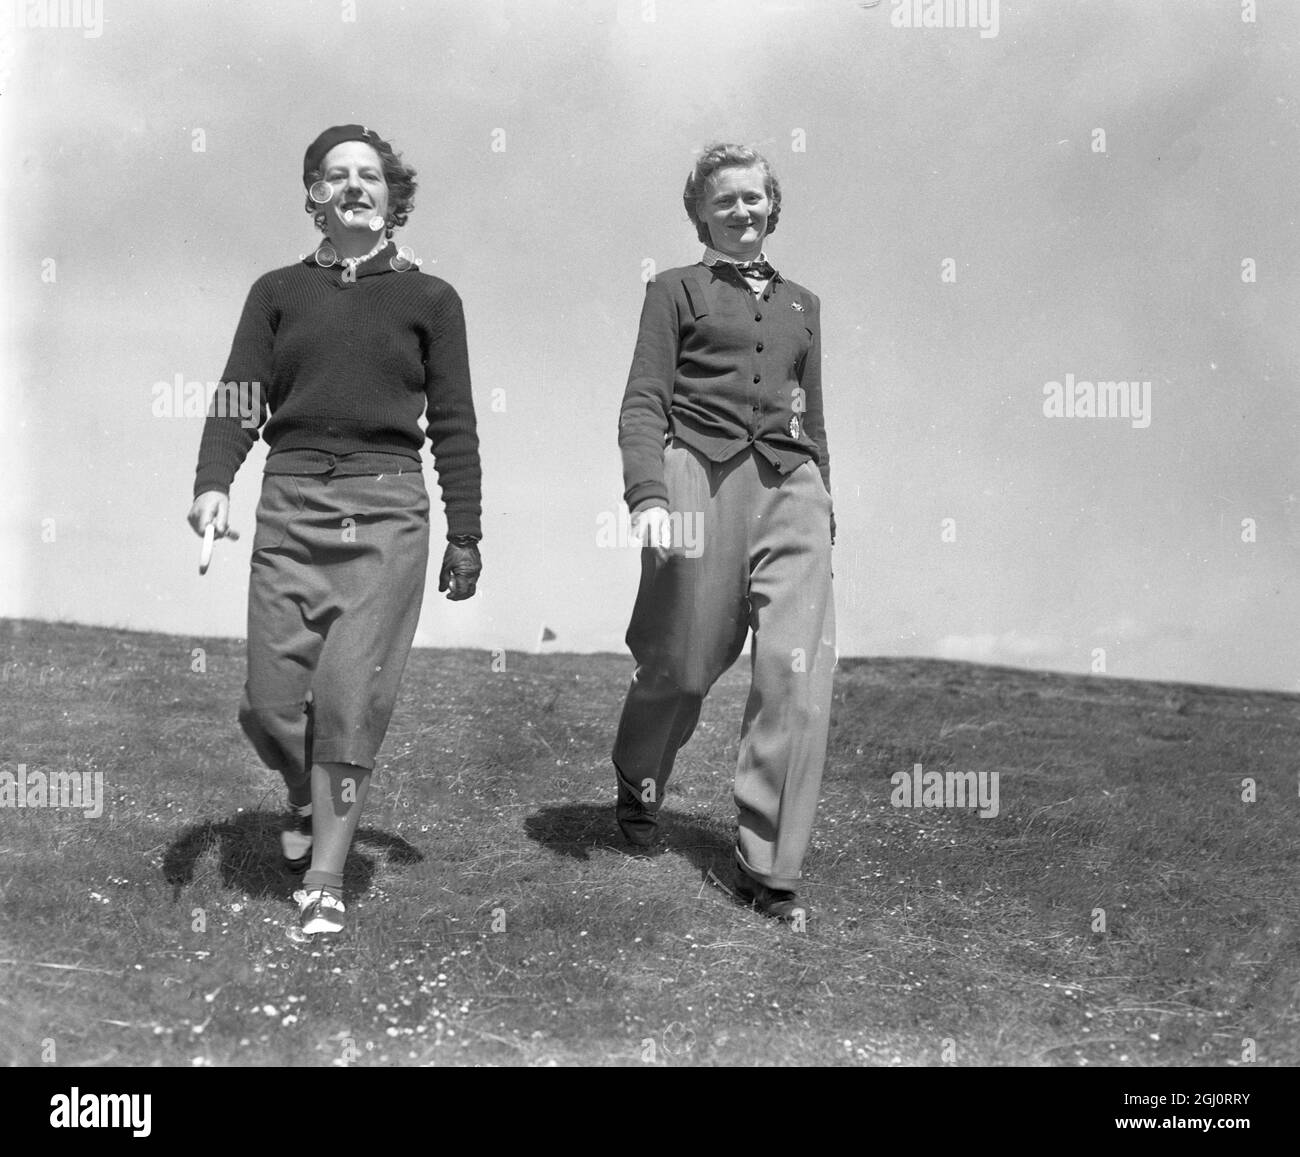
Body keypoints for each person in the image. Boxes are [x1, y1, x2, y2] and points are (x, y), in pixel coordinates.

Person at [188, 125, 482, 939]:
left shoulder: (432, 300)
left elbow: (455, 424)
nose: (354, 186)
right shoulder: (277, 290)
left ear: (393, 195)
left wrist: (467, 532)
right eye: (335, 175)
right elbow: (240, 396)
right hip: (291, 501)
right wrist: (215, 483)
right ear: (314, 195)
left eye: (370, 176)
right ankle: (299, 793)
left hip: (388, 509)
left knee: (349, 695)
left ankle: (324, 876)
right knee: (270, 702)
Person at [613, 142, 836, 924]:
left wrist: (824, 504)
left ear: (772, 207)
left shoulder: (805, 304)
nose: (742, 210)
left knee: (795, 672)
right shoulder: (673, 290)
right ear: (700, 212)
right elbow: (644, 399)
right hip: (695, 477)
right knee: (680, 664)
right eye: (725, 200)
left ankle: (770, 868)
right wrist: (646, 494)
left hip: (793, 486)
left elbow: (814, 414)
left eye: (754, 197)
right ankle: (638, 779)